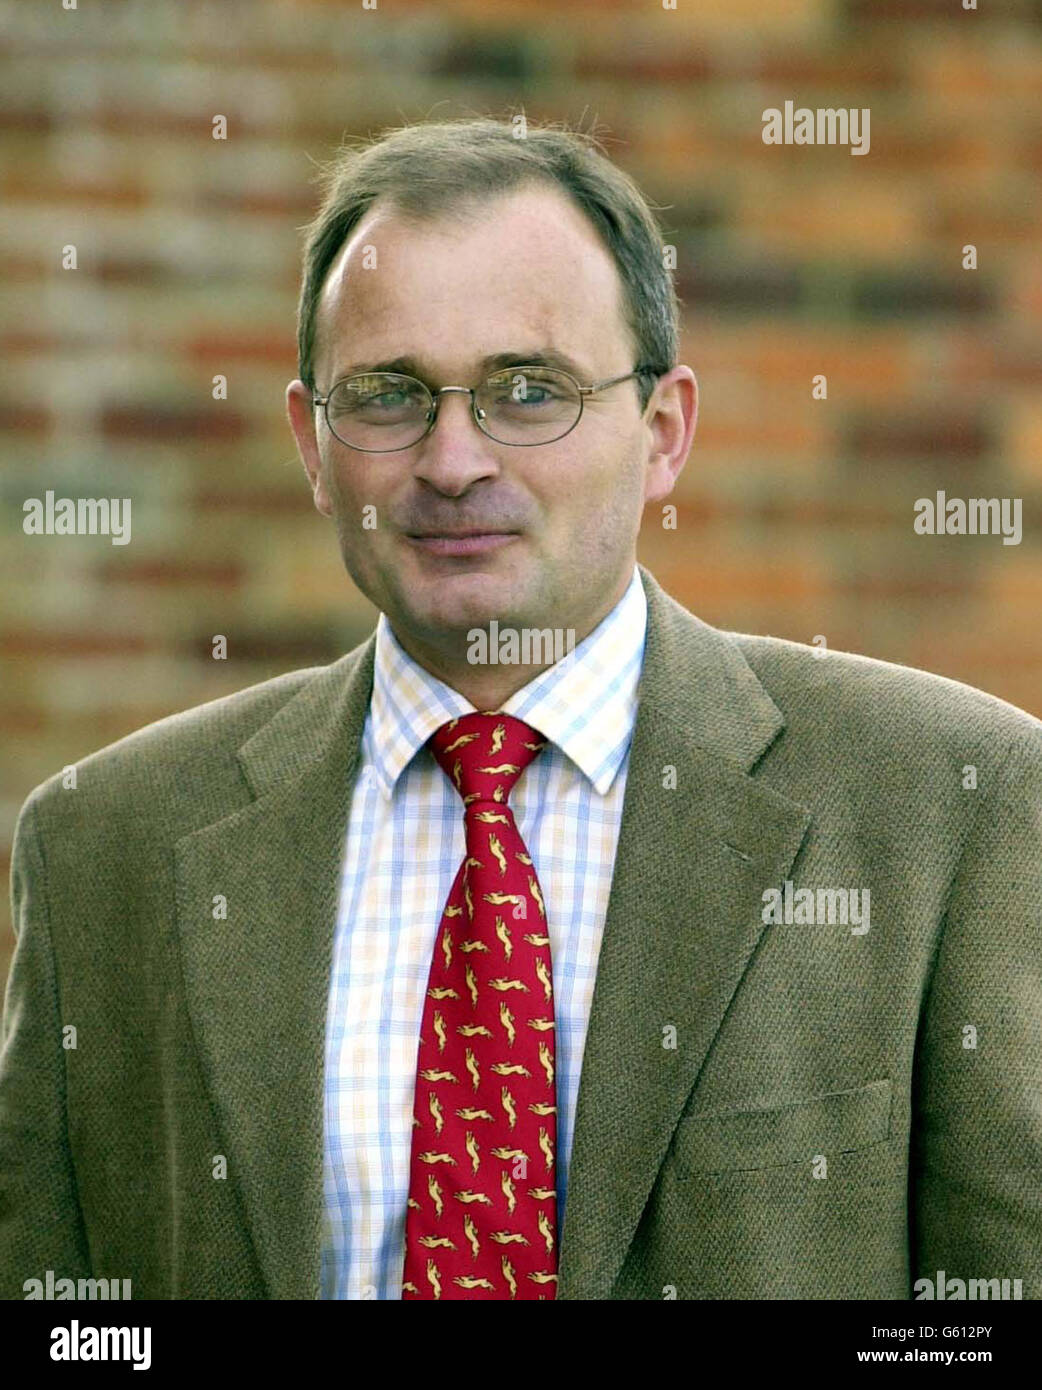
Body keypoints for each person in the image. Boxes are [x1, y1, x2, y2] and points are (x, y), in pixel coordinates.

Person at [2, 117, 1040, 1302]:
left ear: (662, 434)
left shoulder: (951, 805)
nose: (451, 461)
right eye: (389, 396)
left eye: (528, 390)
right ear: (310, 443)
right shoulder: (102, 847)